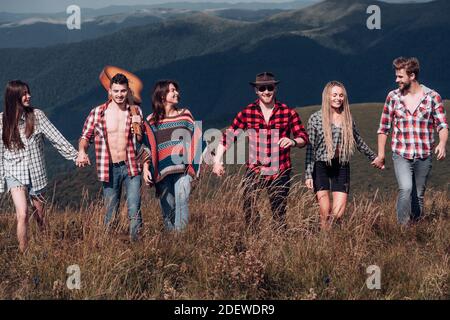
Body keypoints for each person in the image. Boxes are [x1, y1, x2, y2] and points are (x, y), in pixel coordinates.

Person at [213, 72, 309, 231]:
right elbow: (229, 136)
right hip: (255, 168)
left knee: (278, 210)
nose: (266, 91)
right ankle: (253, 236)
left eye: (269, 87)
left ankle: (280, 243)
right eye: (262, 88)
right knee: (248, 203)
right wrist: (217, 160)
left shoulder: (287, 112)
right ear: (256, 91)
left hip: (280, 169)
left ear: (275, 89)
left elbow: (303, 137)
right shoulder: (247, 112)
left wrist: (292, 141)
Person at [0, 80, 78, 252]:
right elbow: (0, 152)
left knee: (40, 215)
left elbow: (56, 138)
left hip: (36, 173)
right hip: (14, 173)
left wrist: (75, 156)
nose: (29, 96)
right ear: (14, 97)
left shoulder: (37, 116)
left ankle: (46, 244)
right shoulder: (2, 121)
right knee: (23, 214)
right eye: (24, 94)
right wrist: (0, 183)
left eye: (29, 92)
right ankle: (24, 252)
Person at [376, 57, 448, 225]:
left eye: (400, 77)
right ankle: (402, 229)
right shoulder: (392, 97)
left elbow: (442, 124)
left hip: (423, 154)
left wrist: (442, 143)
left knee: (418, 195)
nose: (396, 80)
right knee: (406, 189)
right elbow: (384, 127)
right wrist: (381, 154)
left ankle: (415, 229)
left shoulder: (432, 97)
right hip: (401, 153)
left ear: (412, 76)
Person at [305, 81, 383, 230]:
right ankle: (324, 242)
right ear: (327, 96)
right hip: (321, 165)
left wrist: (374, 157)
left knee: (338, 214)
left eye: (341, 95)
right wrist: (308, 174)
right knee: (325, 212)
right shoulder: (315, 119)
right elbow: (311, 149)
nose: (338, 98)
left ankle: (334, 240)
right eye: (334, 95)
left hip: (341, 165)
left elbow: (358, 141)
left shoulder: (348, 118)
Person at [77, 73, 144, 240]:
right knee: (111, 211)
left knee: (134, 208)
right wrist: (82, 151)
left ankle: (137, 245)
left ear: (128, 91)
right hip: (108, 168)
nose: (119, 95)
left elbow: (141, 140)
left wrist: (138, 126)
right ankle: (109, 245)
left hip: (131, 166)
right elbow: (85, 136)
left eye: (122, 91)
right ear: (110, 91)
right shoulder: (98, 113)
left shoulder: (135, 111)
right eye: (116, 91)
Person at [141, 80, 202, 231]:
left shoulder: (185, 115)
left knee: (182, 201)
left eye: (176, 90)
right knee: (168, 209)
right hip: (161, 171)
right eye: (172, 90)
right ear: (162, 95)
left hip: (183, 169)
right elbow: (146, 146)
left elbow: (197, 137)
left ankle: (180, 241)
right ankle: (171, 243)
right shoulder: (150, 121)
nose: (176, 93)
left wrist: (196, 164)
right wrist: (145, 167)